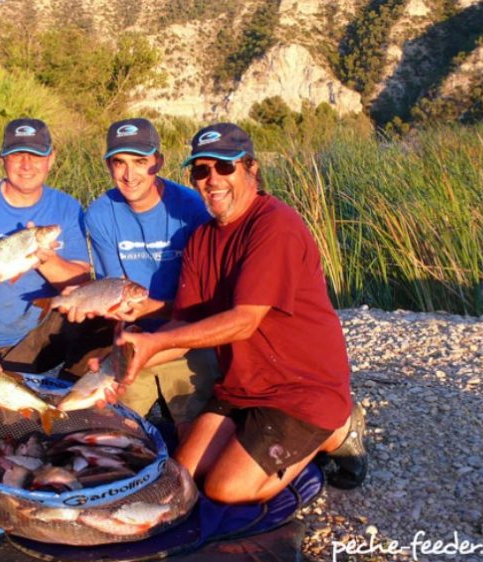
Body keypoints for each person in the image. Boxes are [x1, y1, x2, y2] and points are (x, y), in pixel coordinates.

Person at [116, 123, 368, 505]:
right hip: (243, 385)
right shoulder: (201, 239)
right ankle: (290, 438)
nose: (212, 179)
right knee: (182, 476)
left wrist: (156, 341)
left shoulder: (275, 225)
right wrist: (124, 365)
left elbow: (244, 320)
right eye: (201, 170)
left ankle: (335, 428)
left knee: (224, 488)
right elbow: (185, 325)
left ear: (251, 168)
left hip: (301, 389)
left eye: (224, 167)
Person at [66, 118, 219, 434]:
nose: (129, 174)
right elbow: (116, 291)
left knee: (194, 442)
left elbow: (206, 301)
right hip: (133, 338)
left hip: (186, 336)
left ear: (158, 162)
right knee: (111, 436)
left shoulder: (192, 210)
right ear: (108, 165)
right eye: (119, 162)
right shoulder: (99, 214)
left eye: (140, 162)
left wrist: (155, 309)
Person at [0, 118, 93, 376]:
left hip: (43, 330)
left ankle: (75, 391)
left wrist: (46, 259)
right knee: (2, 412)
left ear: (51, 159)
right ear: (2, 158)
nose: (26, 165)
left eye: (35, 155)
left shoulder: (68, 207)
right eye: (17, 155)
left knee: (102, 313)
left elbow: (81, 282)